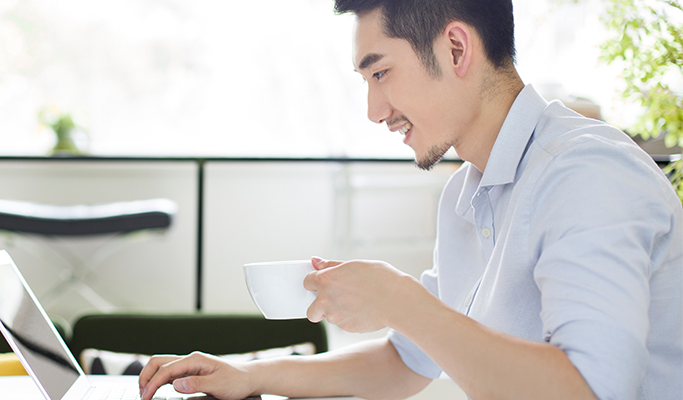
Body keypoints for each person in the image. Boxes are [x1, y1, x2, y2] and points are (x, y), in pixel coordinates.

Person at [138, 0, 682, 399]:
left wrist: (403, 303)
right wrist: (251, 375)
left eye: (381, 73)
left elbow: (594, 389)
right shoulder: (467, 194)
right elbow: (405, 360)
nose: (375, 110)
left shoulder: (585, 173)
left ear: (455, 48)